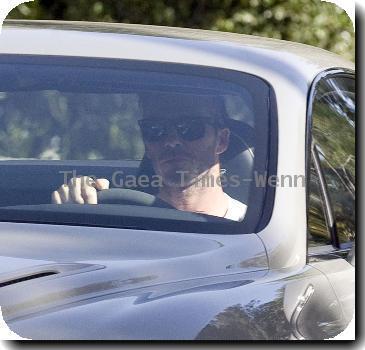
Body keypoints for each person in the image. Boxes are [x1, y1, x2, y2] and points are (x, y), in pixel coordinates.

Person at [52, 93, 247, 222]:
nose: (171, 141)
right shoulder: (120, 221)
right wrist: (79, 205)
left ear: (221, 140)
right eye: (155, 130)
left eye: (189, 127)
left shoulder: (255, 232)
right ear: (146, 143)